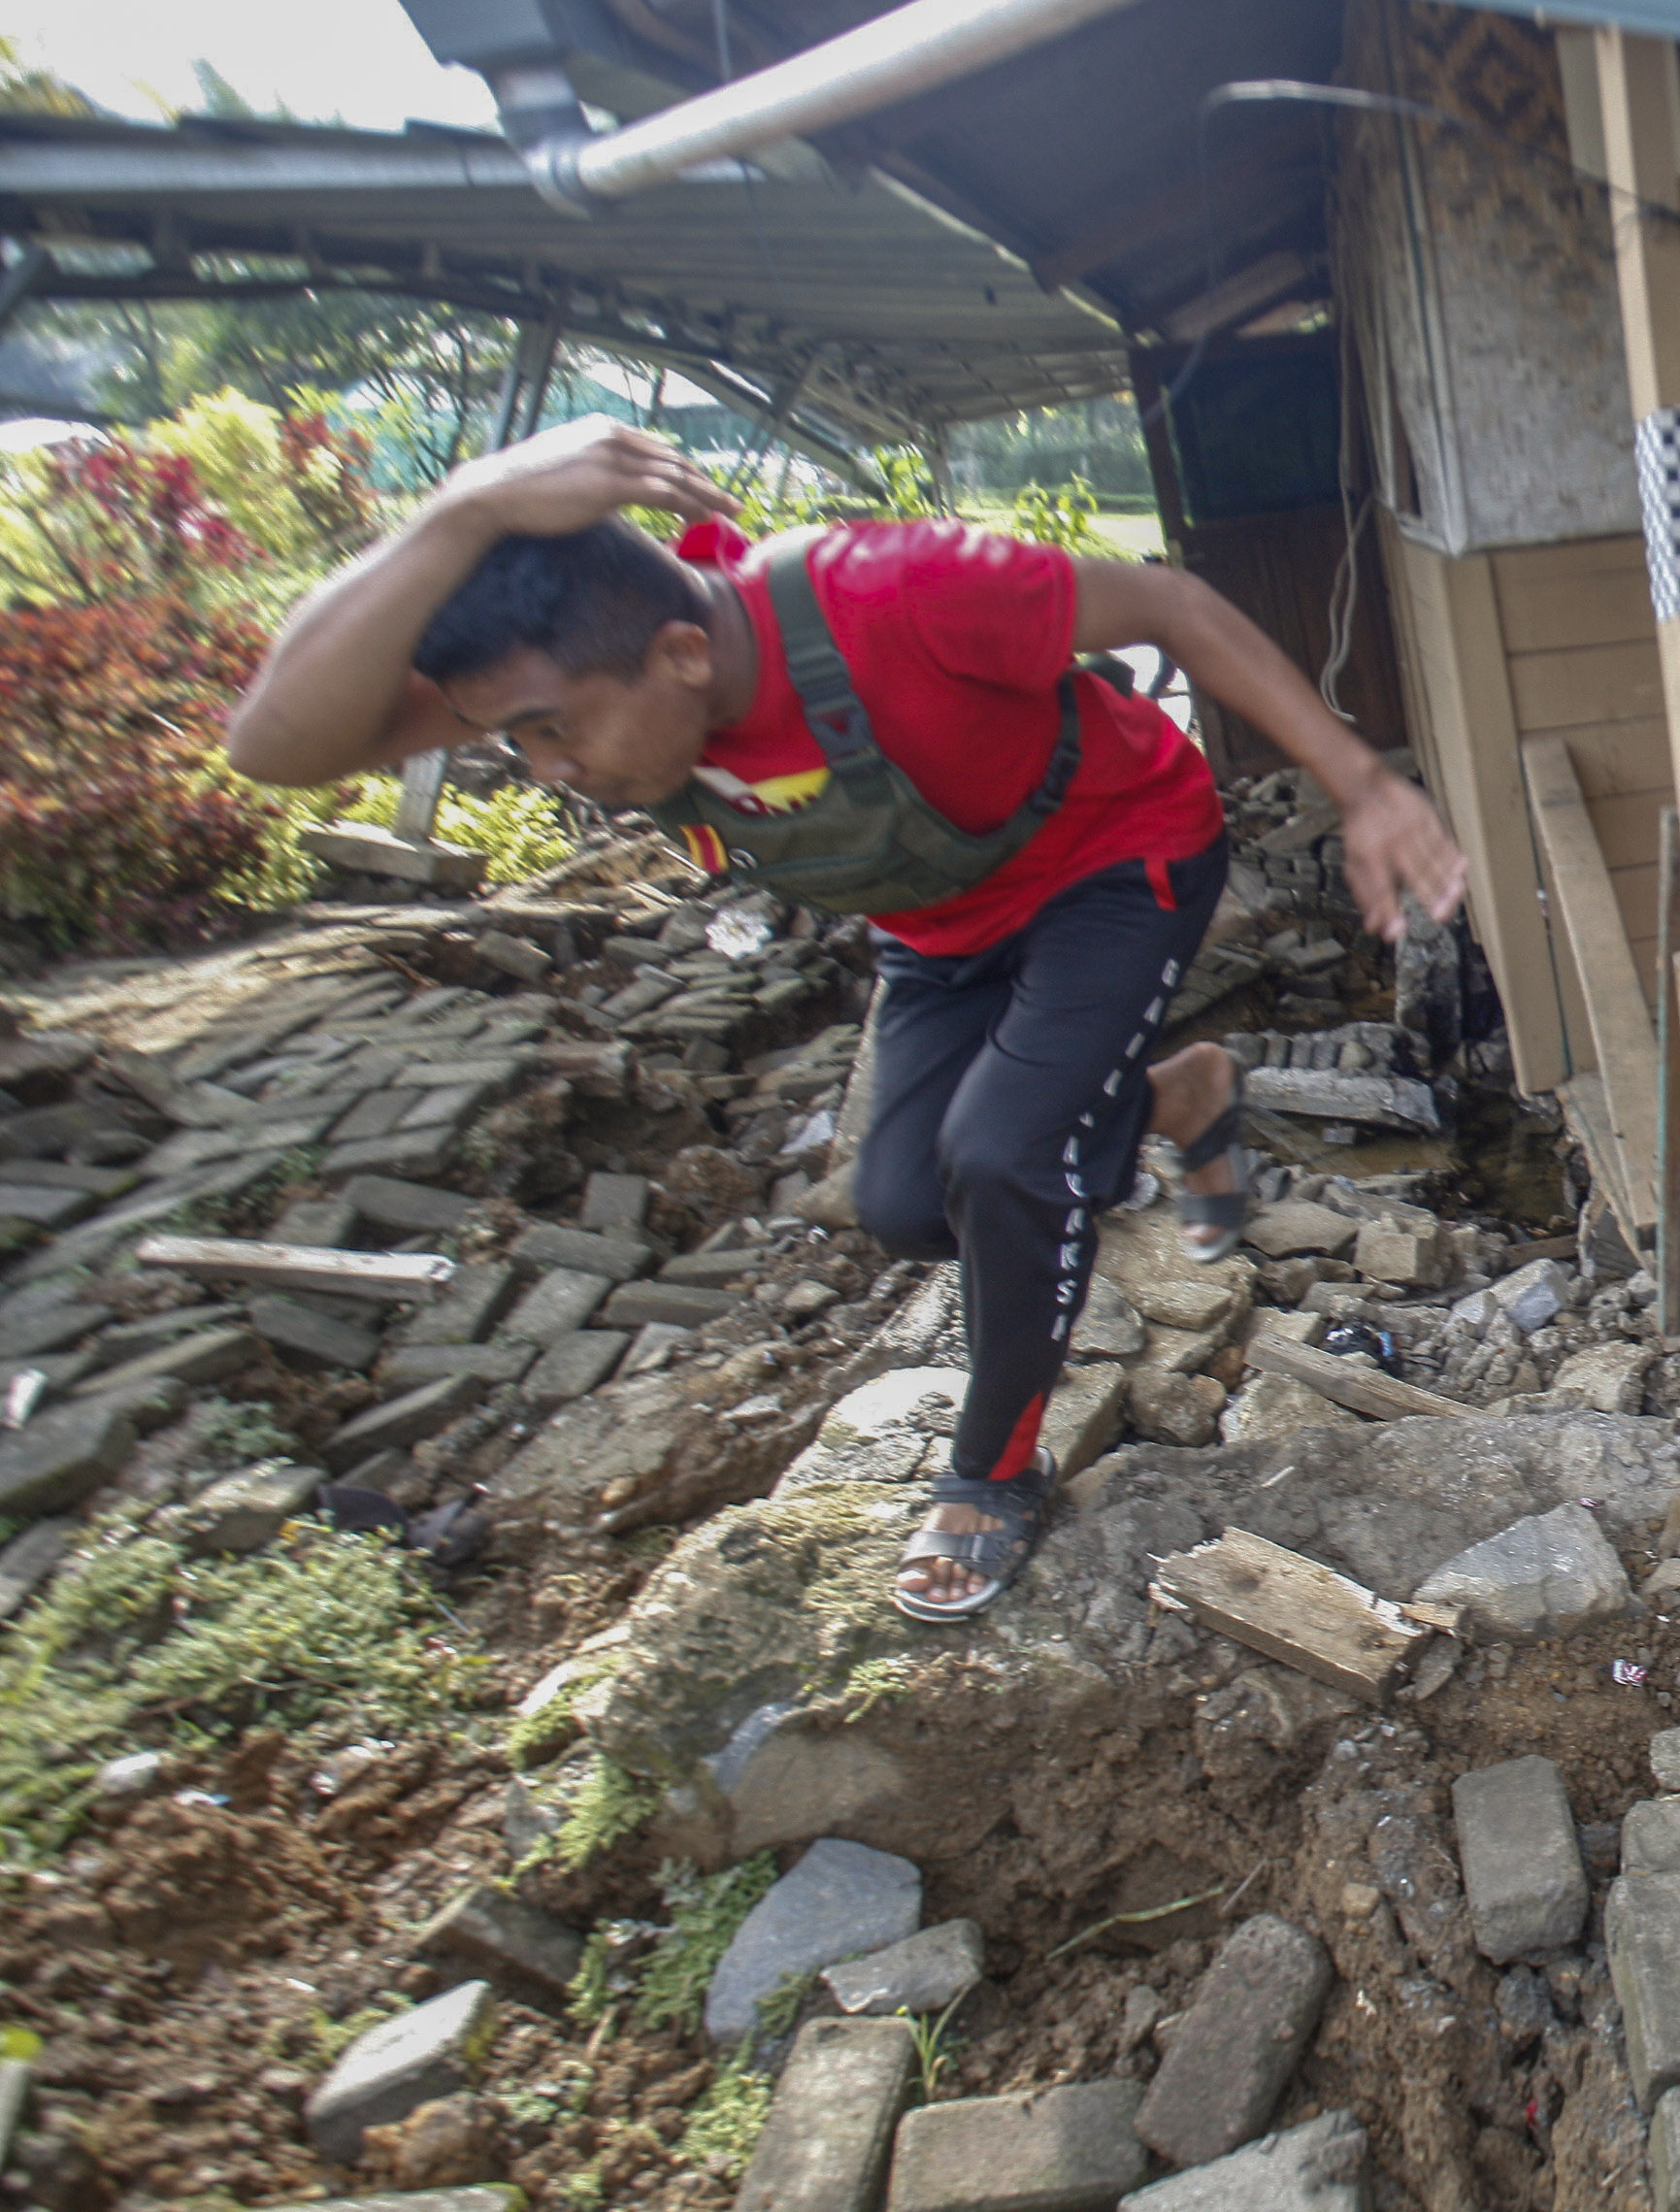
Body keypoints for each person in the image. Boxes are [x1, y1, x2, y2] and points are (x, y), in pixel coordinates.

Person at [225, 418, 1466, 1621]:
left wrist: (1358, 783)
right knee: (906, 1206)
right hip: (938, 923)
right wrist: (462, 511)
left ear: (680, 654)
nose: (550, 771)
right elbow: (276, 747)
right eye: (516, 742)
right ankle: (1172, 1096)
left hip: (1115, 853)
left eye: (555, 732)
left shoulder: (894, 591)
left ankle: (993, 1469)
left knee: (999, 1154)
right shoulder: (577, 663)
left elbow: (1172, 602)